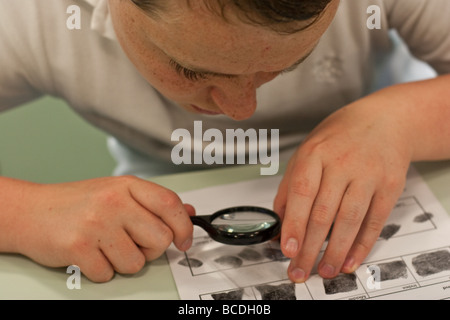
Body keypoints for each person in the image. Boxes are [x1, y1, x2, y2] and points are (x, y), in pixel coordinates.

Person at [0, 0, 449, 284]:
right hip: (148, 222)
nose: (241, 109)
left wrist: (400, 119)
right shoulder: (31, 13)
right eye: (190, 69)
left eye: (287, 64)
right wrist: (22, 213)